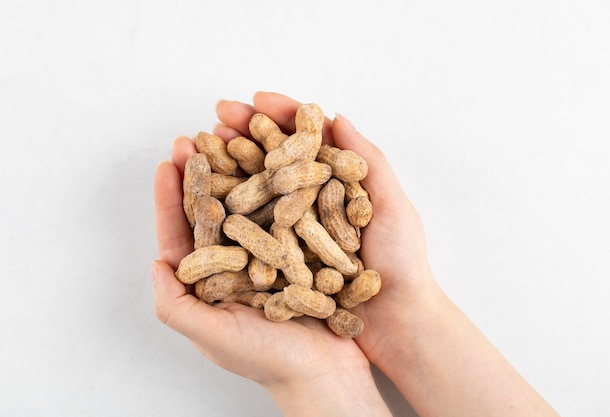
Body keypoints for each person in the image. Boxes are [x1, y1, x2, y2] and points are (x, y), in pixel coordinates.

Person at [151, 91, 560, 417]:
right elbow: (260, 219)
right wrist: (309, 379)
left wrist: (313, 378)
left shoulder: (309, 195)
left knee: (270, 227)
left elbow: (289, 200)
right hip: (287, 259)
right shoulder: (280, 209)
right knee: (254, 240)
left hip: (308, 261)